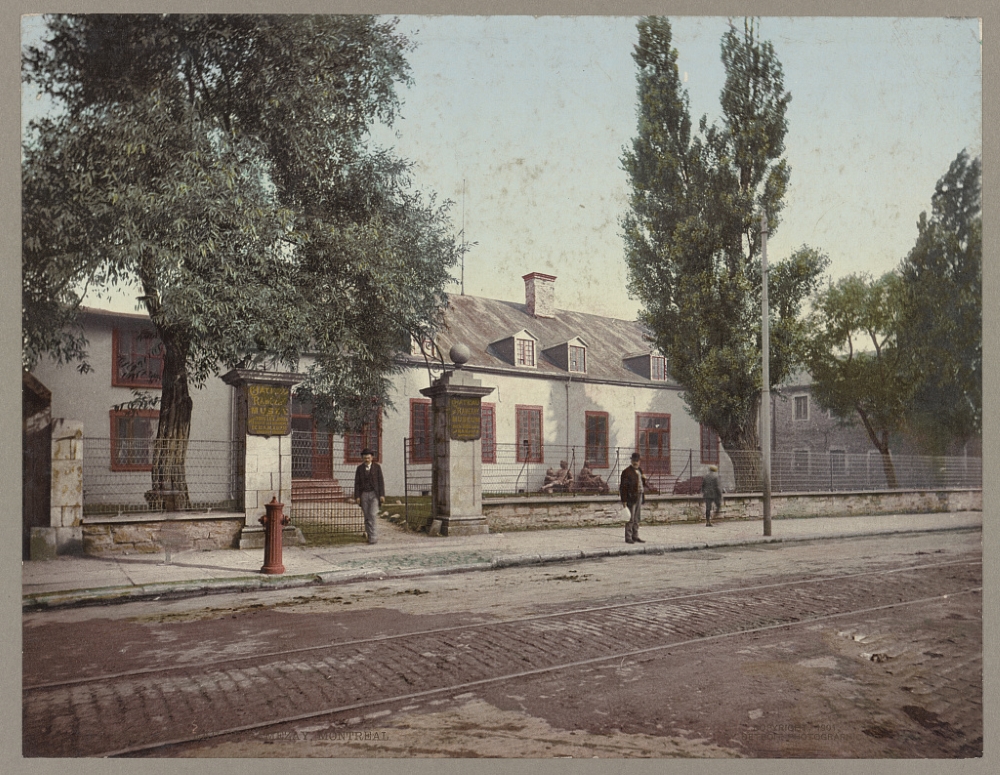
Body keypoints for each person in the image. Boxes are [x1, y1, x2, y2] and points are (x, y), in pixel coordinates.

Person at [353, 448, 385, 545]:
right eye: (365, 458)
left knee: (372, 514)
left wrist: (382, 495)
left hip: (374, 494)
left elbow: (381, 482)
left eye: (368, 458)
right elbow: (357, 484)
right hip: (364, 494)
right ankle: (369, 535)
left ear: (372, 458)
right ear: (362, 458)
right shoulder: (359, 469)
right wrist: (357, 496)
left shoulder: (377, 467)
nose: (367, 459)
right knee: (367, 516)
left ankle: (373, 537)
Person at [619, 452, 648, 544]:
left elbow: (642, 484)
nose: (636, 462)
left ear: (639, 461)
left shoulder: (640, 470)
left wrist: (643, 479)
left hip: (639, 495)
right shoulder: (626, 472)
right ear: (631, 461)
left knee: (637, 518)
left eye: (637, 461)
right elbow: (623, 487)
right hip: (631, 497)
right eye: (634, 460)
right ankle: (628, 537)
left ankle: (635, 536)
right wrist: (624, 500)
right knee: (630, 518)